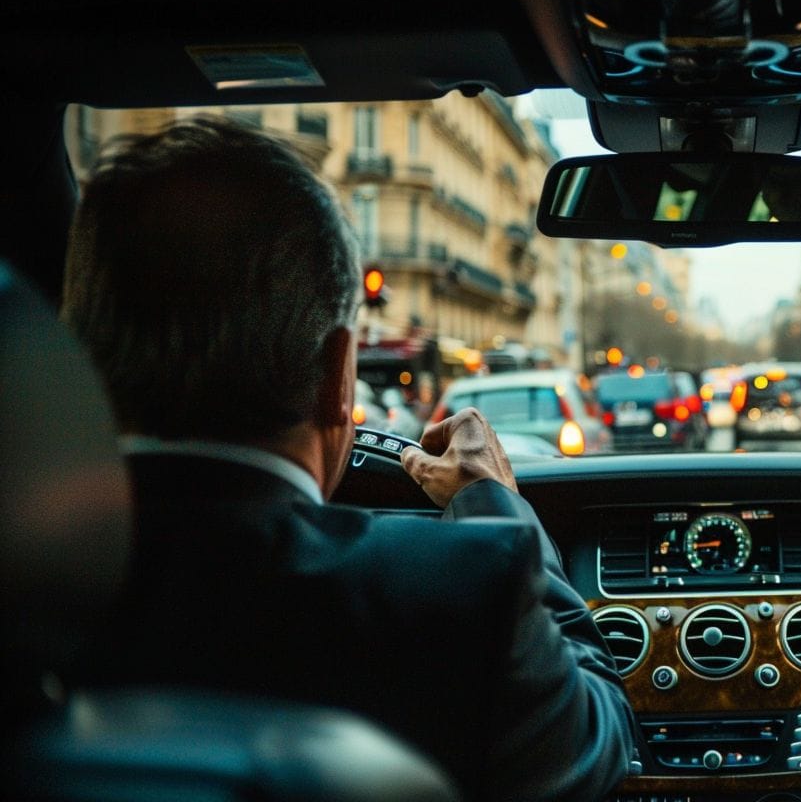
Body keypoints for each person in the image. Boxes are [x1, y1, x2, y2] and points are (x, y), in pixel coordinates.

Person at [60, 118, 635, 801]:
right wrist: (497, 504)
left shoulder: (30, 586)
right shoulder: (460, 595)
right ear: (339, 376)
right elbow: (602, 742)